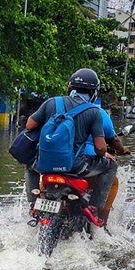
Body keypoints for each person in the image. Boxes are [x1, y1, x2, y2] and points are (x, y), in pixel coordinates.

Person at [24, 68, 118, 227]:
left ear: (70, 88)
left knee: (28, 163)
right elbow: (101, 149)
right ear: (93, 92)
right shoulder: (94, 111)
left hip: (44, 164)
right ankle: (94, 206)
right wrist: (103, 154)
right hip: (75, 166)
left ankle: (33, 202)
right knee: (112, 166)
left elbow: (30, 124)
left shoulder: (51, 102)